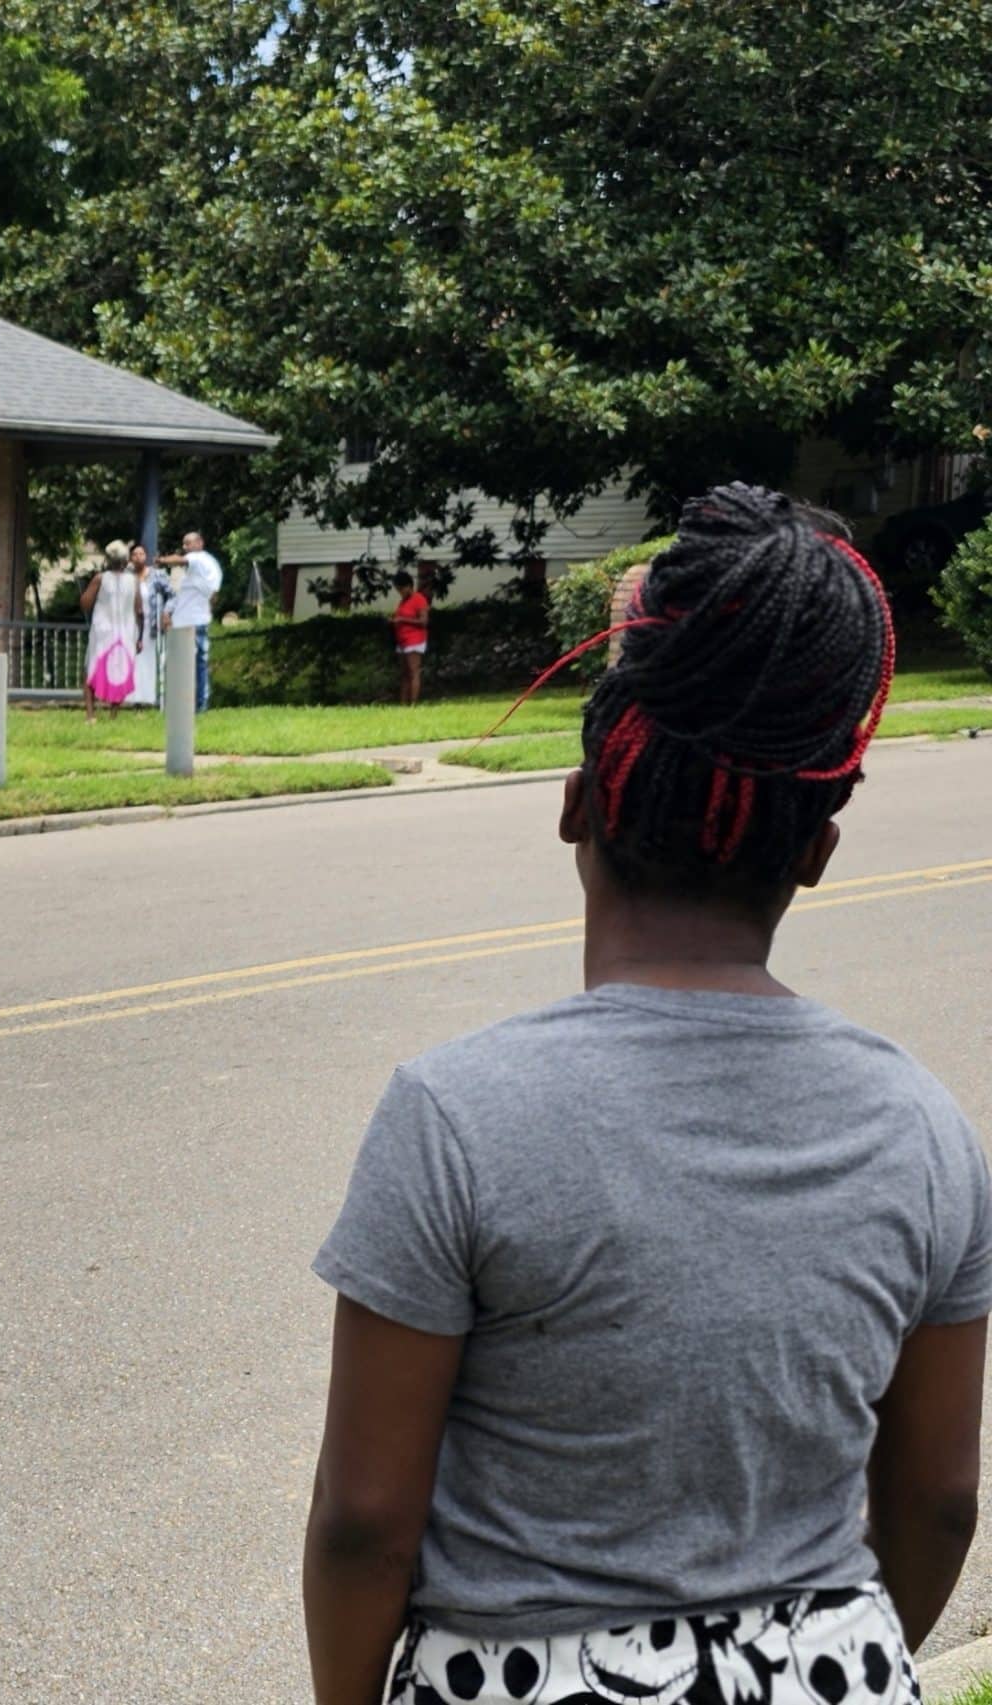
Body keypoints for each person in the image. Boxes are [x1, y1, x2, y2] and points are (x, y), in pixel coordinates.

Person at [303, 484, 981, 1705]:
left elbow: (365, 1525)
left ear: (578, 805)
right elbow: (937, 1499)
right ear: (815, 855)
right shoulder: (925, 1128)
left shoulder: (456, 1115)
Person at [80, 541, 155, 717]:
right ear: (125, 561)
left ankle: (91, 715)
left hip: (103, 632)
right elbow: (139, 611)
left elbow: (85, 603)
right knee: (120, 671)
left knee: (91, 668)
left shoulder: (100, 578)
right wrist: (139, 637)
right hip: (126, 633)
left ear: (108, 559)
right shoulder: (134, 581)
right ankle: (113, 714)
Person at [157, 530, 223, 712]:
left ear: (200, 543)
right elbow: (212, 597)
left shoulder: (199, 559)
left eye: (188, 543)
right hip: (191, 620)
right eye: (184, 544)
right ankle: (192, 703)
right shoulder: (206, 568)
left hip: (192, 623)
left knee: (186, 664)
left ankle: (194, 704)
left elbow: (181, 560)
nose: (185, 548)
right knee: (194, 664)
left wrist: (162, 561)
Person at [390, 570, 430, 706]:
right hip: (403, 641)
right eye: (398, 590)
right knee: (404, 674)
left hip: (415, 640)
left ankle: (413, 704)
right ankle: (403, 704)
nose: (400, 592)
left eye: (401, 589)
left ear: (408, 586)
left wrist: (402, 620)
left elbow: (423, 621)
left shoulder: (419, 599)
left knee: (413, 672)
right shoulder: (403, 601)